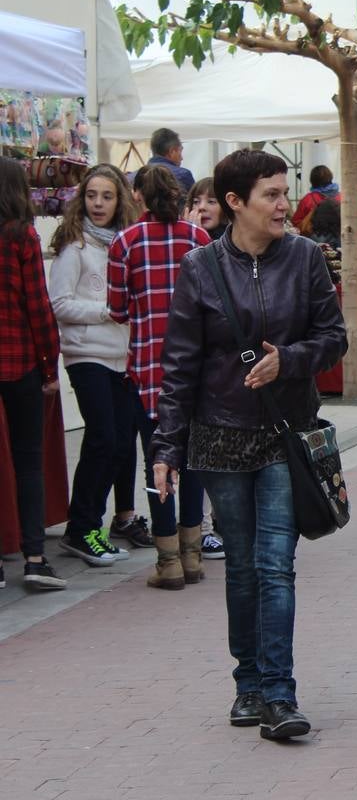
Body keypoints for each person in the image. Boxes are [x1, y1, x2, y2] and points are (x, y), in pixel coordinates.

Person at [152, 148, 347, 741]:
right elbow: (181, 361)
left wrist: (288, 361)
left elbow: (333, 337)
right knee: (241, 567)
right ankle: (248, 684)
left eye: (285, 192)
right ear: (235, 202)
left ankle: (281, 695)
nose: (284, 204)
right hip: (219, 436)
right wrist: (166, 448)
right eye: (270, 194)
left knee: (275, 566)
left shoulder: (306, 258)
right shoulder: (200, 268)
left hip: (285, 434)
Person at [108, 164, 211, 589]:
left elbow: (117, 309)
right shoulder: (199, 239)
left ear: (139, 197)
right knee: (194, 459)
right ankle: (192, 554)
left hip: (150, 369)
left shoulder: (125, 243)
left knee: (158, 462)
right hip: (199, 369)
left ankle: (167, 559)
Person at [49, 164, 141, 567]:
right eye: (91, 196)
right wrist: (108, 311)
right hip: (86, 355)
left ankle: (90, 526)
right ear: (81, 199)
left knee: (120, 444)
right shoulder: (76, 246)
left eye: (106, 196)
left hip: (121, 357)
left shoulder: (124, 243)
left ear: (119, 199)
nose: (98, 204)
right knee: (103, 439)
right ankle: (81, 527)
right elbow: (60, 303)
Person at [0, 157, 66, 590]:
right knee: (28, 461)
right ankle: (35, 557)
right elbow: (37, 306)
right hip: (19, 361)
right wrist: (49, 363)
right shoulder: (21, 236)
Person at [182, 177, 227, 561]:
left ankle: (219, 523)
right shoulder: (191, 247)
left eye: (211, 200)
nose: (204, 207)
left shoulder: (229, 247)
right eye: (197, 200)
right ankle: (205, 528)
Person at [291, 164, 357, 246]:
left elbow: (297, 223)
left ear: (312, 180)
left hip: (320, 247)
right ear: (330, 177)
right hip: (351, 243)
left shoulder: (307, 200)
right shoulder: (348, 196)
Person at [147, 127, 194, 194]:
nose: (181, 158)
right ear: (172, 151)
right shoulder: (183, 175)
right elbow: (192, 202)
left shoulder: (132, 177)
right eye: (180, 151)